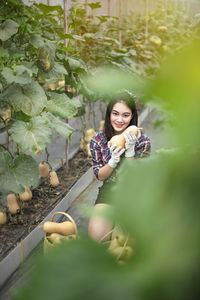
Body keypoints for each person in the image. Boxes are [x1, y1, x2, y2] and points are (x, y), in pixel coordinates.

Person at [89, 90, 151, 204]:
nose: (119, 120)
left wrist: (130, 152)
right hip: (110, 189)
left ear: (132, 116)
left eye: (125, 115)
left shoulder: (143, 141)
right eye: (115, 113)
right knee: (96, 222)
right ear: (109, 114)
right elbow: (100, 177)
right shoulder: (97, 141)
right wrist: (112, 162)